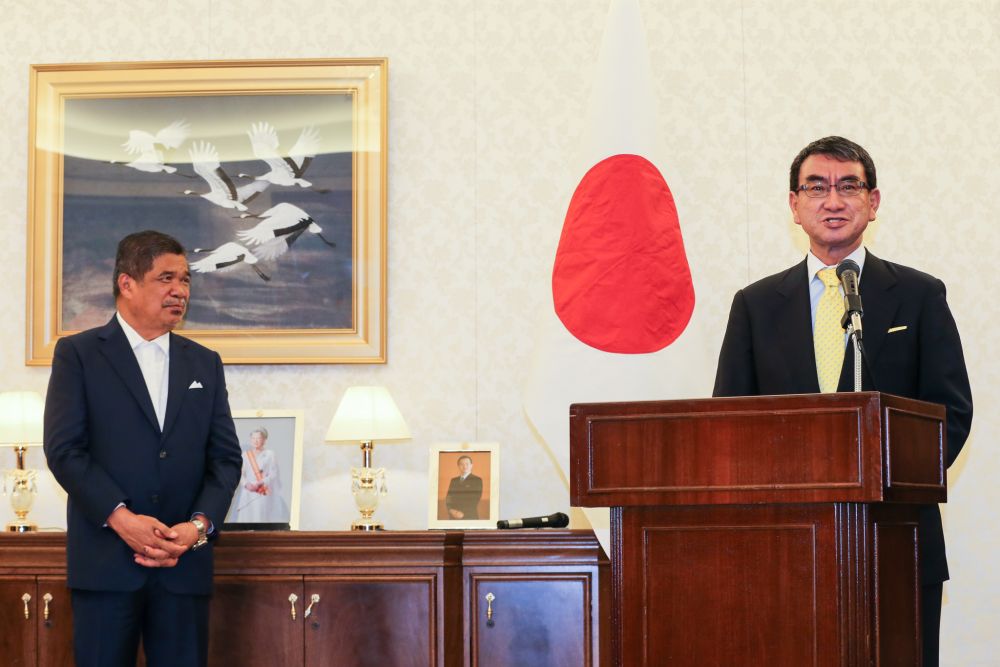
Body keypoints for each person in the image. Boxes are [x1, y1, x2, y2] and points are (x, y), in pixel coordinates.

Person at [713, 136, 972, 666]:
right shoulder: (756, 305)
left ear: (872, 202)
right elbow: (728, 423)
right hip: (785, 545)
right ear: (795, 205)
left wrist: (885, 477)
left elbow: (950, 414)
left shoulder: (919, 295)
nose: (833, 200)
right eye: (816, 187)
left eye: (848, 186)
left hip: (898, 539)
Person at [43, 230, 242, 667]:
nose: (180, 290)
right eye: (166, 278)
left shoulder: (204, 362)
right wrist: (122, 519)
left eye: (185, 280)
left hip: (183, 569)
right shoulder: (78, 354)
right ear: (127, 283)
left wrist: (197, 528)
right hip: (106, 567)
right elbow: (65, 450)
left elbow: (225, 459)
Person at [229, 427, 289, 523]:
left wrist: (261, 482)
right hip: (248, 492)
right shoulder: (245, 455)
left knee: (260, 518)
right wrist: (246, 484)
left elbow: (274, 473)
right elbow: (240, 473)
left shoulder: (270, 454)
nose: (255, 441)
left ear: (264, 440)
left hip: (262, 492)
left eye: (258, 438)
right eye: (253, 438)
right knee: (245, 519)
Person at [444, 455, 484, 520]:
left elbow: (475, 499)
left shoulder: (477, 480)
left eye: (467, 464)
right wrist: (451, 510)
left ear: (471, 465)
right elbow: (448, 497)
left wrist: (461, 513)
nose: (464, 466)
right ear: (458, 466)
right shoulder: (453, 480)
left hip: (469, 516)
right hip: (453, 516)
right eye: (461, 464)